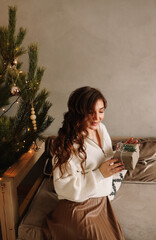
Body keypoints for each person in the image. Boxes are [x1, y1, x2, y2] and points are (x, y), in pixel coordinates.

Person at [42, 86, 138, 240]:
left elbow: (105, 159)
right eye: (90, 112)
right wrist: (99, 174)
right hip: (78, 205)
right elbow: (63, 186)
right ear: (78, 111)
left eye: (101, 111)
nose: (97, 117)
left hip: (101, 202)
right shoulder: (66, 145)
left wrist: (123, 151)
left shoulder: (101, 129)